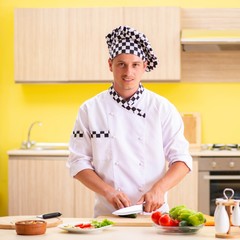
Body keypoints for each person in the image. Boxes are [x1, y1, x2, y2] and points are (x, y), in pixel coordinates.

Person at [67, 26, 192, 217]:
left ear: (144, 66)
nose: (128, 72)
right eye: (121, 64)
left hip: (154, 215)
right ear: (110, 64)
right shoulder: (90, 109)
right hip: (108, 214)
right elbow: (78, 162)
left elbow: (182, 159)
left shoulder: (162, 108)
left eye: (135, 64)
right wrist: (108, 192)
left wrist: (159, 189)